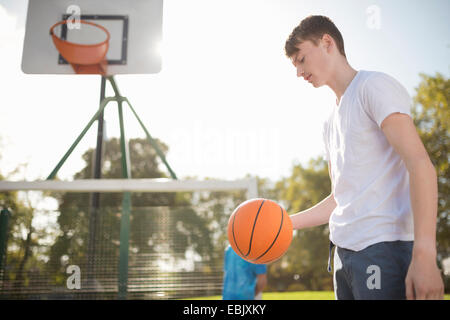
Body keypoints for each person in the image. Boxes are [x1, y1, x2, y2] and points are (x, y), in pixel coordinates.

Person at [284, 15, 444, 300]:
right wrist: (285, 222)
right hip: (343, 256)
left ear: (326, 43)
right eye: (294, 65)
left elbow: (419, 164)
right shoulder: (328, 122)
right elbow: (339, 198)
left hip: (383, 249)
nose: (298, 72)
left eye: (301, 59)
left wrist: (425, 253)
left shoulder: (373, 86)